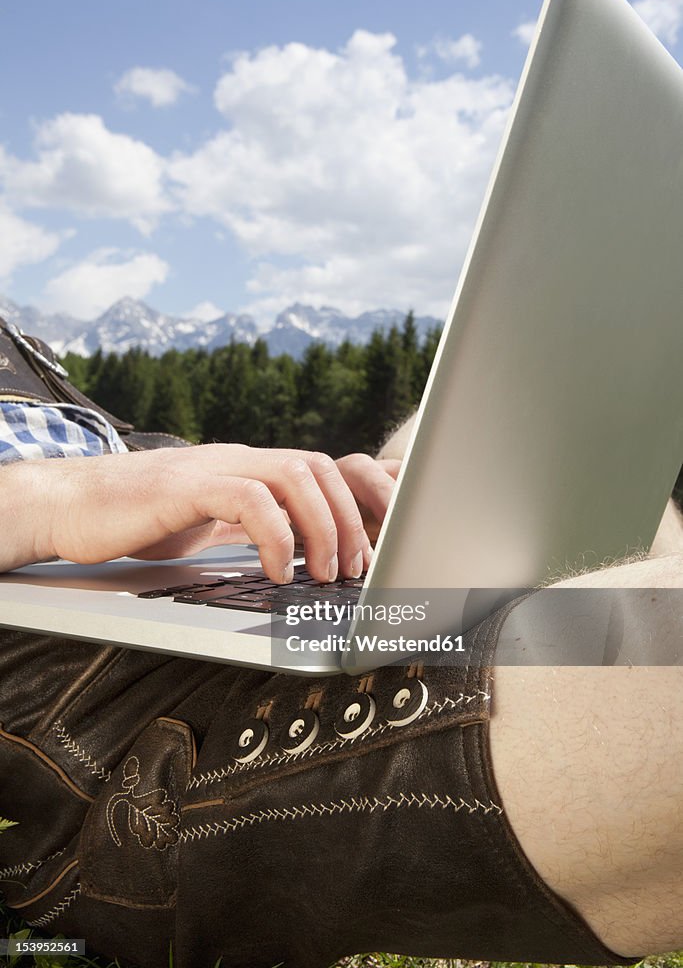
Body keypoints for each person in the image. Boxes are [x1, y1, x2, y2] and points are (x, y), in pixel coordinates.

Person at [1, 318, 683, 968]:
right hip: (94, 700)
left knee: (553, 402)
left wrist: (313, 502)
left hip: (211, 565)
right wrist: (43, 499)